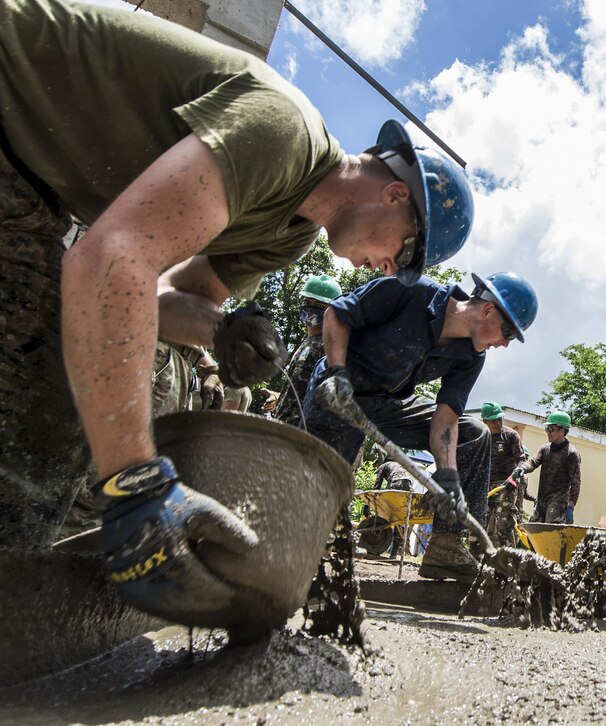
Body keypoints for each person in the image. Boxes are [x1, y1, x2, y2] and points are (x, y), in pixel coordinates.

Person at [0, 0, 474, 623]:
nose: (389, 270)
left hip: (32, 187)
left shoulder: (289, 233)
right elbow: (110, 263)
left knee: (52, 360)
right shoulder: (284, 134)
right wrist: (137, 482)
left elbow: (164, 300)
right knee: (47, 374)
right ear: (394, 197)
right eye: (402, 256)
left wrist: (221, 330)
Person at [305, 272, 538, 583]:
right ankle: (295, 552)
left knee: (473, 433)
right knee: (321, 485)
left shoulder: (471, 356)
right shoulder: (410, 291)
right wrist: (337, 371)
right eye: (508, 332)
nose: (506, 344)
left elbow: (446, 418)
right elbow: (336, 313)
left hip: (389, 404)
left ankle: (446, 548)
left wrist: (449, 478)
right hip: (337, 392)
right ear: (488, 309)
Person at [271, 274, 343, 426]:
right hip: (284, 426)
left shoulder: (327, 347)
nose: (311, 307)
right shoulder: (309, 343)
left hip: (301, 433)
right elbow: (302, 390)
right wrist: (280, 398)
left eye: (319, 305)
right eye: (307, 302)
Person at [514, 412, 581, 525]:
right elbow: (533, 462)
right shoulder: (545, 449)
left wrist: (571, 507)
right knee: (532, 532)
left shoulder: (571, 454)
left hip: (557, 502)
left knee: (550, 534)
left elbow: (576, 482)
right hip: (542, 501)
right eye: (547, 429)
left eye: (551, 429)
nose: (548, 432)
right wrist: (522, 468)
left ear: (562, 430)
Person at [480, 402, 530, 547]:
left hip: (507, 483)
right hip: (487, 485)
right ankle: (475, 560)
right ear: (485, 421)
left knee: (503, 523)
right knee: (479, 522)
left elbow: (522, 460)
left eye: (499, 419)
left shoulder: (510, 435)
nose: (497, 423)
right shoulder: (481, 437)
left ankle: (510, 561)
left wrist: (516, 473)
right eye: (493, 420)